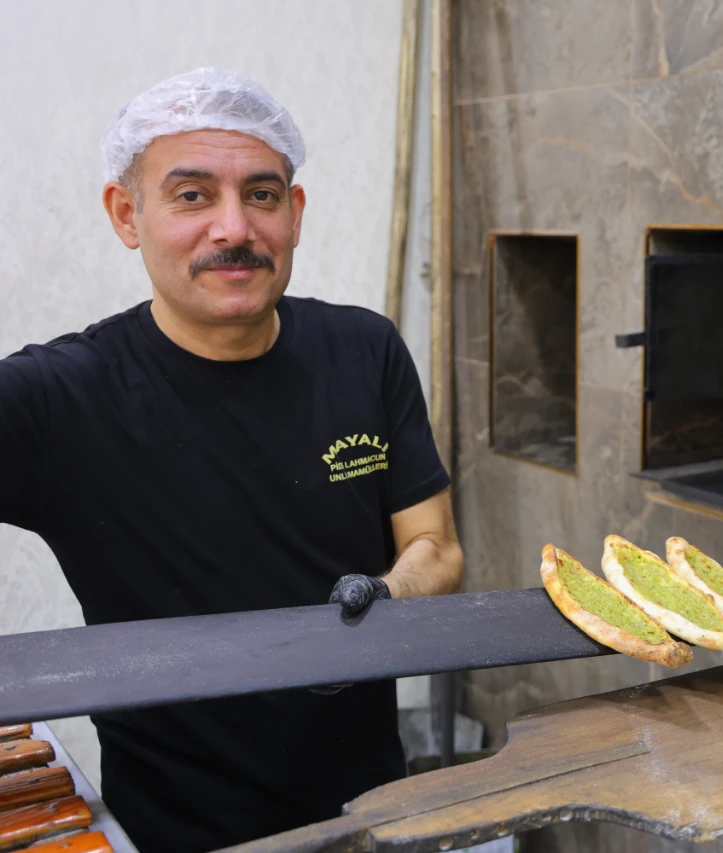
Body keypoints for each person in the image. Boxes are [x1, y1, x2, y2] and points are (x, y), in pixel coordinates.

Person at [0, 68, 463, 852]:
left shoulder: (365, 350)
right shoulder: (55, 397)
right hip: (177, 830)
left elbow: (437, 547)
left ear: (295, 213)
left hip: (375, 814)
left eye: (261, 194)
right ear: (126, 214)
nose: (232, 228)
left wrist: (380, 594)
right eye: (191, 196)